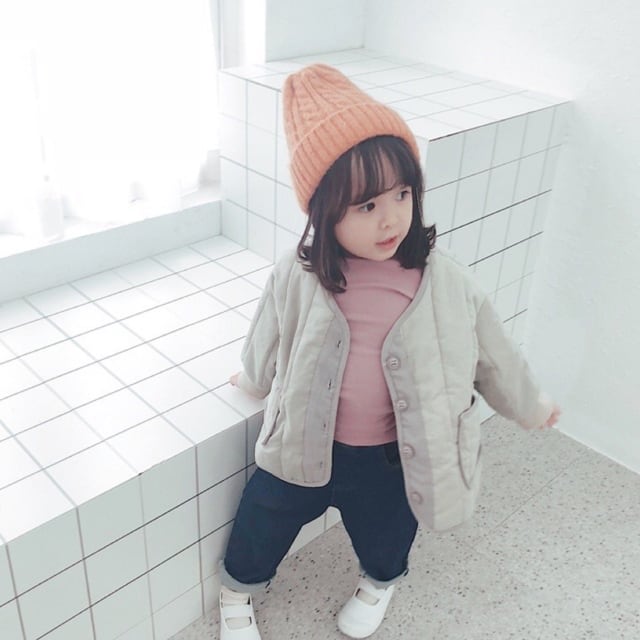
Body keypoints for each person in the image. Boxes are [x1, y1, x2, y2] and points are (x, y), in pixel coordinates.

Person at [218, 64, 561, 640]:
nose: (391, 218)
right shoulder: (299, 275)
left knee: (389, 529)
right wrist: (252, 379)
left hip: (390, 455)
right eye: (367, 206)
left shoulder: (445, 281)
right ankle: (239, 589)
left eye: (402, 194)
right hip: (302, 442)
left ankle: (378, 583)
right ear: (323, 212)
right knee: (264, 515)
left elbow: (494, 354)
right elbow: (266, 334)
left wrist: (531, 406)